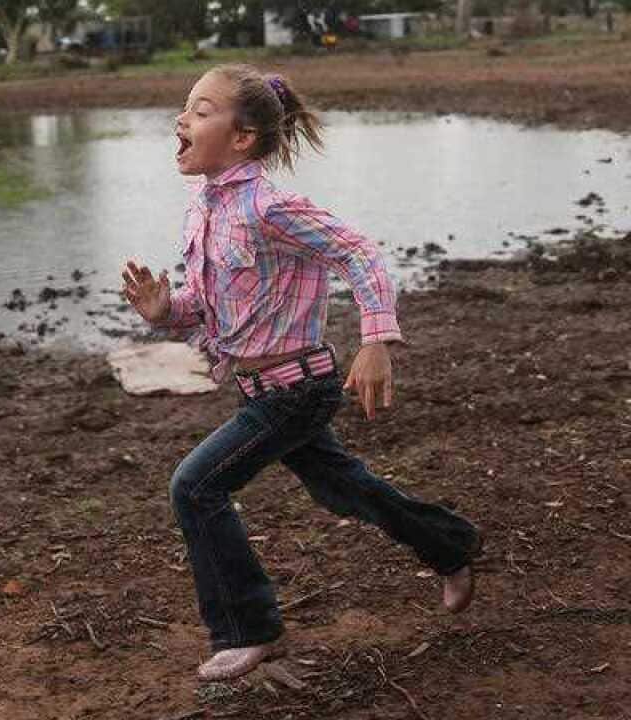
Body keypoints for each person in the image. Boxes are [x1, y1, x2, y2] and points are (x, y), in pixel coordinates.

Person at [120, 64, 482, 683]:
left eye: (201, 110)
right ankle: (451, 548)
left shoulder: (269, 204)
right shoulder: (204, 209)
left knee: (195, 486)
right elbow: (217, 310)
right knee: (342, 487)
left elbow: (357, 251)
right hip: (262, 386)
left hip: (297, 388)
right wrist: (165, 311)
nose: (183, 119)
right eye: (186, 107)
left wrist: (375, 340)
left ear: (244, 137)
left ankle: (249, 629)